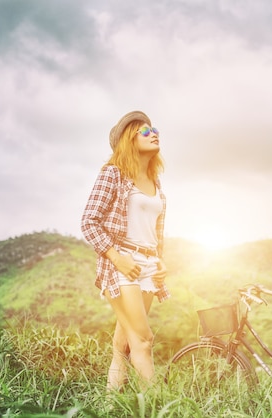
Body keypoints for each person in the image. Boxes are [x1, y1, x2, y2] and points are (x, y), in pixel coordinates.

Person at [81, 110, 169, 390]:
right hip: (122, 265)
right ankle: (159, 408)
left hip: (149, 267)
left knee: (123, 346)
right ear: (129, 139)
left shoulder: (156, 184)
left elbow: (156, 231)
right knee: (143, 340)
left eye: (154, 129)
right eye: (144, 131)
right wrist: (117, 258)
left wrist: (161, 261)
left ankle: (109, 408)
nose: (153, 133)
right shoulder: (113, 174)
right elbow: (89, 221)